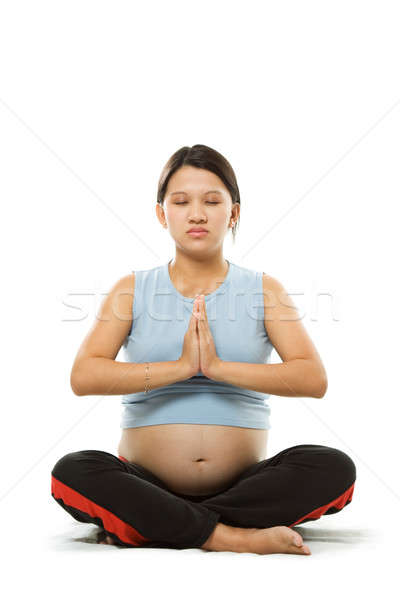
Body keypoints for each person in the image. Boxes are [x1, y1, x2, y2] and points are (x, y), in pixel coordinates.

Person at [51, 144, 356, 555]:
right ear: (163, 214)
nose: (197, 213)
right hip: (144, 478)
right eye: (181, 202)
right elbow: (84, 377)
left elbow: (312, 378)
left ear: (234, 212)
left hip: (244, 485)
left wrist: (216, 367)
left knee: (334, 467)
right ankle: (228, 534)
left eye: (212, 201)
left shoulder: (264, 290)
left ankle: (153, 521)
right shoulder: (132, 289)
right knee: (72, 470)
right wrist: (179, 368)